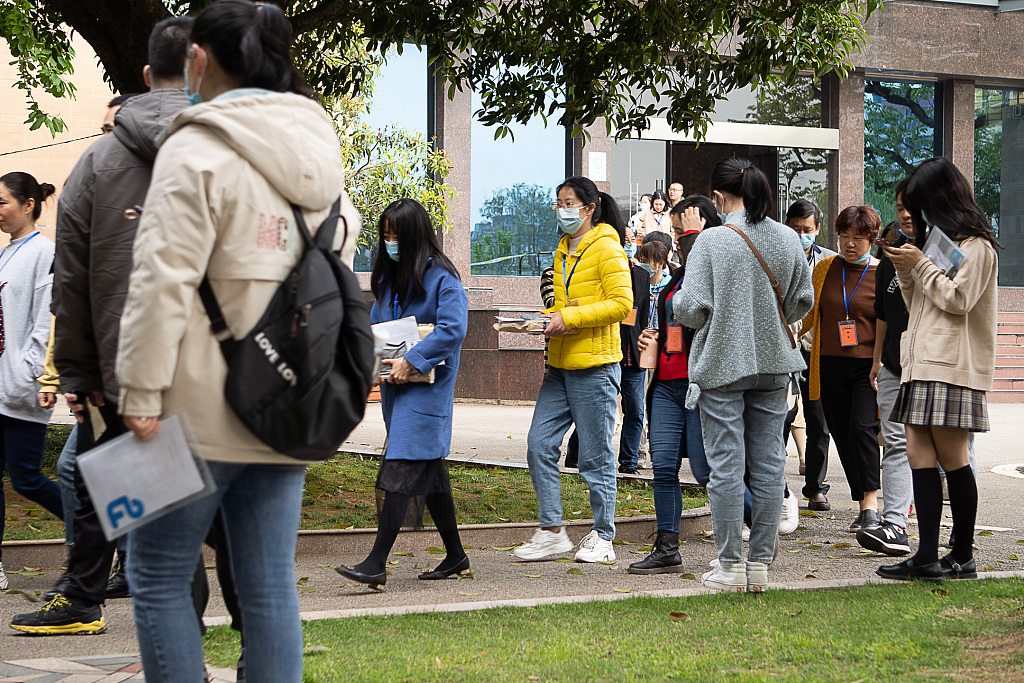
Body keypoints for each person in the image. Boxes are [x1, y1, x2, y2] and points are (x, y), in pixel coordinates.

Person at [109, 2, 360, 680]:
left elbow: (160, 280)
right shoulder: (320, 153)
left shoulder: (196, 146)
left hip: (188, 408)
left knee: (159, 574)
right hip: (285, 400)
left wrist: (137, 391)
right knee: (269, 582)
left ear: (202, 58)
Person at [10, 17, 195, 638]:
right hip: (212, 375)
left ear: (145, 75)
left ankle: (91, 597)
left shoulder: (97, 162)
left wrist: (80, 373)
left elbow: (75, 282)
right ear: (204, 65)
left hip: (118, 378)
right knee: (201, 514)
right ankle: (225, 639)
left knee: (128, 496)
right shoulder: (237, 147)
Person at [673, 158, 813, 592]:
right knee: (770, 467)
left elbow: (689, 308)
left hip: (721, 364)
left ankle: (730, 564)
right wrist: (770, 320)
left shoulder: (712, 241)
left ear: (718, 197)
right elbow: (803, 299)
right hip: (775, 365)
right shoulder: (788, 237)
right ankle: (760, 567)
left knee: (726, 468)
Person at [876, 157, 999, 583]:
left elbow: (959, 300)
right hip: (921, 360)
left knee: (953, 458)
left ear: (940, 197)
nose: (914, 214)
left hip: (951, 365)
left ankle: (961, 554)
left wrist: (921, 264)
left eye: (920, 203)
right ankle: (926, 555)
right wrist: (904, 266)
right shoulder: (937, 242)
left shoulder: (978, 246)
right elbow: (918, 303)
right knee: (917, 456)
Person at [336, 199, 469, 587]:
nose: (390, 242)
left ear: (415, 236)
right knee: (430, 474)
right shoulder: (390, 278)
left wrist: (413, 360)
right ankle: (456, 556)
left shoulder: (444, 278)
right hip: (397, 387)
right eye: (385, 235)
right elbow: (378, 331)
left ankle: (376, 563)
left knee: (400, 465)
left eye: (396, 235)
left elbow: (453, 330)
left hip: (427, 391)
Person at [514, 176, 632, 563]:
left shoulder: (608, 249)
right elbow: (564, 306)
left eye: (569, 203)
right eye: (558, 203)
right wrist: (539, 321)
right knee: (538, 445)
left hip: (595, 368)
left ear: (589, 208)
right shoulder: (563, 249)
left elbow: (620, 305)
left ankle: (603, 537)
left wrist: (570, 317)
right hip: (559, 366)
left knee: (595, 458)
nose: (563, 210)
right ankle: (552, 531)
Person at [628, 196, 715, 574]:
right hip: (665, 385)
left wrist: (697, 235)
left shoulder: (707, 271)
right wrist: (656, 341)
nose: (678, 239)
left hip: (700, 387)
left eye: (682, 232)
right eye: (678, 232)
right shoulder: (671, 282)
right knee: (663, 467)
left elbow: (704, 297)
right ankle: (667, 547)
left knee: (705, 471)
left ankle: (763, 521)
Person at [801, 206, 882, 534]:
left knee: (862, 428)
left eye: (858, 238)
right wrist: (790, 330)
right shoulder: (825, 269)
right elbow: (810, 312)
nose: (849, 244)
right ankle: (861, 496)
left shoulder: (882, 272)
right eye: (844, 236)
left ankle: (870, 506)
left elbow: (888, 323)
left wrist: (879, 362)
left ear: (872, 239)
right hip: (829, 363)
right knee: (841, 432)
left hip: (867, 367)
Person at [0, 172, 63, 592]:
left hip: (22, 387)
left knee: (26, 479)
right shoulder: (6, 254)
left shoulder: (44, 253)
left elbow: (48, 319)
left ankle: (102, 533)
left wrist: (36, 376)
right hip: (1, 384)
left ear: (28, 204)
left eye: (3, 201)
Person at [858, 187, 914, 556]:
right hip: (894, 363)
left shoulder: (942, 253)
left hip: (931, 363)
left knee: (950, 448)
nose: (906, 214)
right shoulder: (886, 266)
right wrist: (877, 359)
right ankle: (895, 523)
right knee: (895, 442)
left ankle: (961, 531)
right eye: (899, 209)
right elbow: (882, 315)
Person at [784, 199, 835, 511]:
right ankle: (774, 484)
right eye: (795, 228)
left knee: (817, 418)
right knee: (780, 416)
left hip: (817, 349)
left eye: (807, 229)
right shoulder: (775, 257)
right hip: (784, 348)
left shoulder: (830, 262)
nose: (801, 234)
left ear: (817, 230)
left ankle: (815, 486)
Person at [616, 235, 651, 475]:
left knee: (636, 411)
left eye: (631, 241)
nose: (629, 245)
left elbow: (644, 314)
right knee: (600, 411)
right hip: (610, 352)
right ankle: (579, 453)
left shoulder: (641, 275)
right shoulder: (606, 273)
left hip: (634, 354)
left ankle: (628, 462)